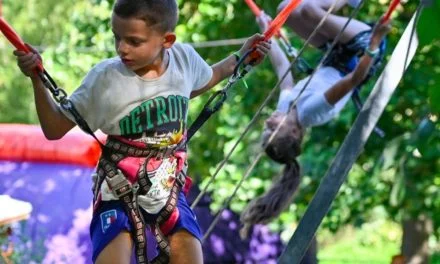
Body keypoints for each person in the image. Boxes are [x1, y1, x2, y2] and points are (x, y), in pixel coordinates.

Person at [13, 0, 270, 263]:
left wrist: (241, 56)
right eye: (117, 37)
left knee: (191, 254)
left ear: (167, 40)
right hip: (118, 189)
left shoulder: (184, 60)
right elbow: (54, 129)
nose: (122, 48)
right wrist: (37, 78)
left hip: (167, 188)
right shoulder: (106, 79)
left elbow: (206, 78)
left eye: (134, 41)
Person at [240, 0, 391, 240]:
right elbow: (353, 80)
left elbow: (282, 68)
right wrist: (374, 43)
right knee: (309, 11)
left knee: (286, 9)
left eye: (265, 129)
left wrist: (266, 31)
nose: (268, 122)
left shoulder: (286, 108)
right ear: (294, 133)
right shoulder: (312, 112)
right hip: (363, 53)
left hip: (335, 52)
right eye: (273, 129)